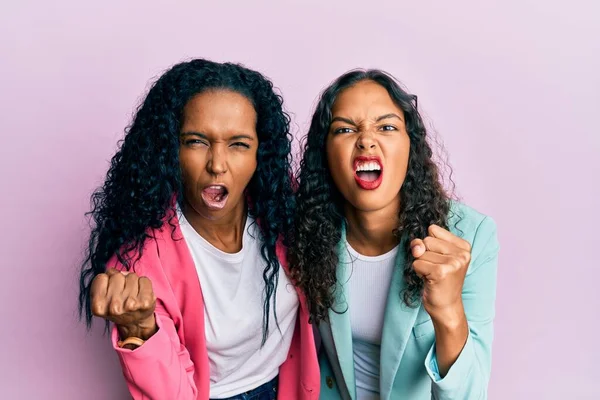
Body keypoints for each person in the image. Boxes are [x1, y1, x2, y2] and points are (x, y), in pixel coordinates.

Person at [78, 59, 319, 400]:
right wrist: (140, 330)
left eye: (238, 144)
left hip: (289, 385)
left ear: (259, 154)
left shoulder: (282, 208)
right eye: (196, 141)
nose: (217, 164)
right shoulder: (141, 262)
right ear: (170, 150)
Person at [290, 69, 499, 400]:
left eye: (386, 127)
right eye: (344, 129)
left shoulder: (469, 238)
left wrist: (448, 312)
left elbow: (469, 395)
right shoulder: (307, 229)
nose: (366, 140)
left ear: (410, 148)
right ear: (325, 154)